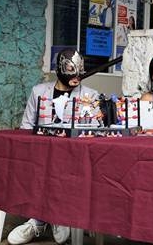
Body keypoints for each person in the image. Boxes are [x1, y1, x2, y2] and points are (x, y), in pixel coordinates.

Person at [8, 49, 99, 245]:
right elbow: (26, 125)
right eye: (70, 69)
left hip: (73, 156)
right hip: (40, 154)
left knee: (62, 169)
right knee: (39, 168)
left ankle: (43, 219)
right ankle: (46, 218)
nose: (77, 74)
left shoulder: (91, 95)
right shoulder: (39, 91)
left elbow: (94, 130)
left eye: (80, 69)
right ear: (59, 68)